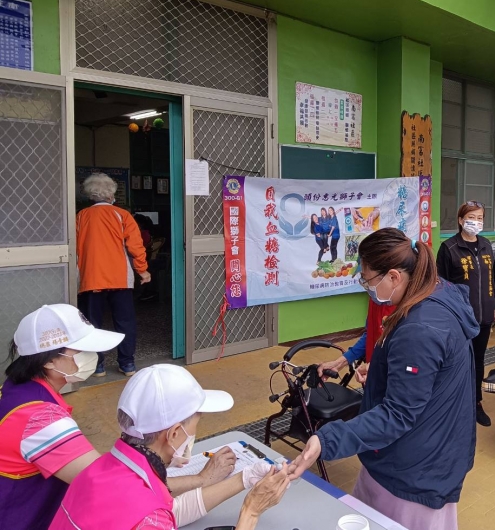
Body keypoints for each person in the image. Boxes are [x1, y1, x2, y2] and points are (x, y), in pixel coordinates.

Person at [288, 228, 478, 530]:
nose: (367, 287)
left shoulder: (421, 328)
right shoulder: (435, 293)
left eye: (367, 279)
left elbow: (398, 414)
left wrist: (325, 440)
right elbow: (428, 377)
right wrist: (381, 371)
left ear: (394, 276)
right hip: (433, 448)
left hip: (413, 470)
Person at [0, 305, 233, 530]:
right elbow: (109, 483)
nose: (92, 355)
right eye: (81, 350)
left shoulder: (16, 390)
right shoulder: (41, 418)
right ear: (48, 360)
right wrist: (202, 479)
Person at [50, 364, 290, 530]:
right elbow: (154, 517)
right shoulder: (148, 516)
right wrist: (250, 513)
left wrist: (244, 478)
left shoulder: (101, 470)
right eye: (195, 424)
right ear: (174, 434)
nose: (194, 433)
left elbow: (170, 510)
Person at [76, 173, 150, 377]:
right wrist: (142, 270)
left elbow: (74, 248)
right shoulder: (122, 215)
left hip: (91, 278)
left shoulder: (81, 216)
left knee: (92, 323)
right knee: (125, 321)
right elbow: (135, 246)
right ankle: (127, 364)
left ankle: (97, 366)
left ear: (91, 195)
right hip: (120, 278)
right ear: (111, 194)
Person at [436, 200, 495, 427]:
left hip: (484, 315)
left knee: (478, 360)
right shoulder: (449, 248)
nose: (476, 222)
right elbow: (440, 284)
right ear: (461, 220)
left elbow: (491, 278)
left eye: (480, 218)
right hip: (460, 318)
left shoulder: (486, 245)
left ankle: (476, 403)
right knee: (457, 361)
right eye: (471, 217)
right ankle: (453, 403)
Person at [317, 300, 396, 378]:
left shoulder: (401, 311)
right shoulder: (376, 300)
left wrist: (373, 369)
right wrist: (338, 363)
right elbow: (370, 336)